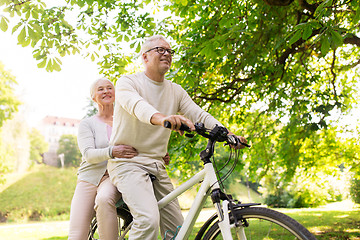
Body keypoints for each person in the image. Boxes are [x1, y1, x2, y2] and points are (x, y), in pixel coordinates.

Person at [108, 35, 247, 240]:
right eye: (160, 50)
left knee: (178, 230)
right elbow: (137, 106)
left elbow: (199, 114)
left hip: (156, 164)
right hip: (128, 163)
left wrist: (228, 134)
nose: (167, 54)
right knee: (147, 220)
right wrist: (163, 118)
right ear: (145, 57)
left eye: (170, 51)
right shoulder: (128, 82)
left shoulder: (175, 90)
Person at [68, 78, 139, 240]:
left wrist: (159, 153)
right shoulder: (87, 124)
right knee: (76, 234)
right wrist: (113, 151)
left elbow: (140, 143)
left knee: (104, 199)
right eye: (100, 89)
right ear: (93, 97)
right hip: (88, 179)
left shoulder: (126, 121)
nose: (106, 91)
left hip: (113, 176)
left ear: (115, 93)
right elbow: (88, 154)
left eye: (109, 88)